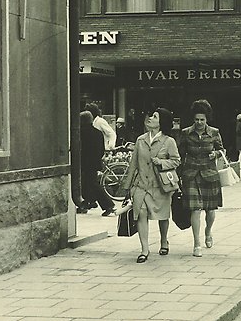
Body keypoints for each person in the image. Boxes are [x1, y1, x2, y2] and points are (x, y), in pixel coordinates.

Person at [119, 108, 181, 262]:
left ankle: (164, 240)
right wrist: (127, 188)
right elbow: (133, 164)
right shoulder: (141, 140)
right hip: (141, 186)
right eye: (151, 116)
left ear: (162, 122)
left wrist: (161, 162)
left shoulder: (169, 141)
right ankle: (144, 250)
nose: (150, 118)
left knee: (163, 216)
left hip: (161, 186)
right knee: (141, 213)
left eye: (155, 117)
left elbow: (176, 160)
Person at [179, 99, 224, 257]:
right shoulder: (185, 133)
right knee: (195, 209)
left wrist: (216, 153)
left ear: (207, 119)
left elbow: (221, 150)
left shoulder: (214, 132)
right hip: (191, 174)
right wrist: (178, 177)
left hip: (209, 174)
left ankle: (208, 231)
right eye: (197, 119)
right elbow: (180, 154)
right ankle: (196, 243)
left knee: (210, 211)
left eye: (202, 120)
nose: (199, 122)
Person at [79, 110, 114, 216]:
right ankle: (88, 202)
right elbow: (101, 149)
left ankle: (108, 205)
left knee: (91, 184)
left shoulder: (81, 132)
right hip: (94, 162)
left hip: (84, 162)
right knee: (88, 183)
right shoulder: (98, 133)